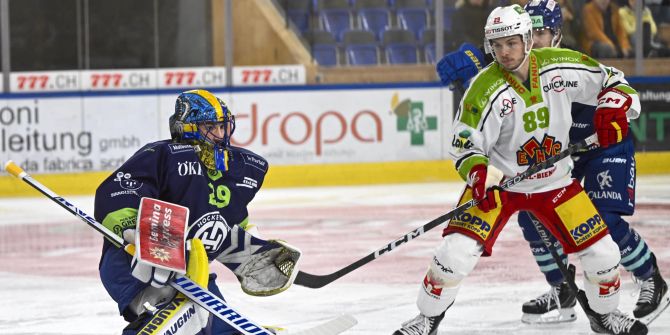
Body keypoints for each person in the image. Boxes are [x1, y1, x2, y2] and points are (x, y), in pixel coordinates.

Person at [394, 4, 649, 335]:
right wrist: (477, 172)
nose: (504, 52)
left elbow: (613, 81)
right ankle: (427, 318)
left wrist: (614, 104)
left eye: (511, 43)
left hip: (554, 181)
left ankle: (605, 317)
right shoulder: (483, 87)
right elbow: (463, 144)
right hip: (500, 183)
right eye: (497, 45)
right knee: (454, 252)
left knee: (603, 254)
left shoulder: (559, 65)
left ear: (528, 39)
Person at [94, 89, 301, 334]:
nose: (219, 134)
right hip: (132, 263)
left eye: (222, 126)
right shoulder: (165, 156)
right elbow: (117, 192)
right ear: (187, 128)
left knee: (212, 324)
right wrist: (134, 230)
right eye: (209, 126)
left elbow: (220, 229)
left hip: (191, 270)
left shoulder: (239, 170)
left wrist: (251, 251)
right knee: (183, 321)